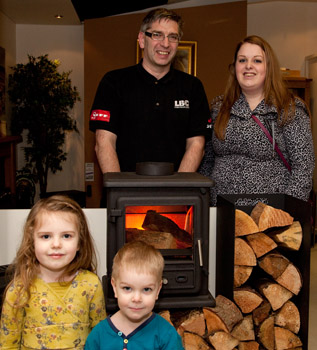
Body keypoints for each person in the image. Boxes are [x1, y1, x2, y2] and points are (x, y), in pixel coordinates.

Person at [89, 8, 210, 173]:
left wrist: (179, 193)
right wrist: (119, 192)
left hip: (177, 194)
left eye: (172, 37)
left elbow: (197, 144)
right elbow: (104, 142)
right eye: (157, 34)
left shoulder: (193, 87)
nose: (165, 43)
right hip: (124, 194)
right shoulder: (113, 82)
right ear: (141, 39)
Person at [199, 35, 315, 206]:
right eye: (242, 60)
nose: (248, 66)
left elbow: (303, 168)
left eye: (257, 60)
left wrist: (287, 213)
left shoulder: (289, 109)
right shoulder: (219, 107)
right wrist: (202, 205)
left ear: (269, 68)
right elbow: (207, 162)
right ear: (235, 67)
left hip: (269, 215)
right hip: (221, 210)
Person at [0, 195, 106, 350]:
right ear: (32, 240)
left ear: (79, 242)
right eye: (46, 236)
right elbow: (8, 344)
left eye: (66, 236)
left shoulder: (91, 285)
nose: (56, 244)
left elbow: (100, 338)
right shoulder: (19, 290)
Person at [84, 240, 184, 350]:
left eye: (146, 289)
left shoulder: (166, 334)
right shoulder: (98, 335)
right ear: (114, 287)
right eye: (127, 288)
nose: (136, 299)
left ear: (158, 290)